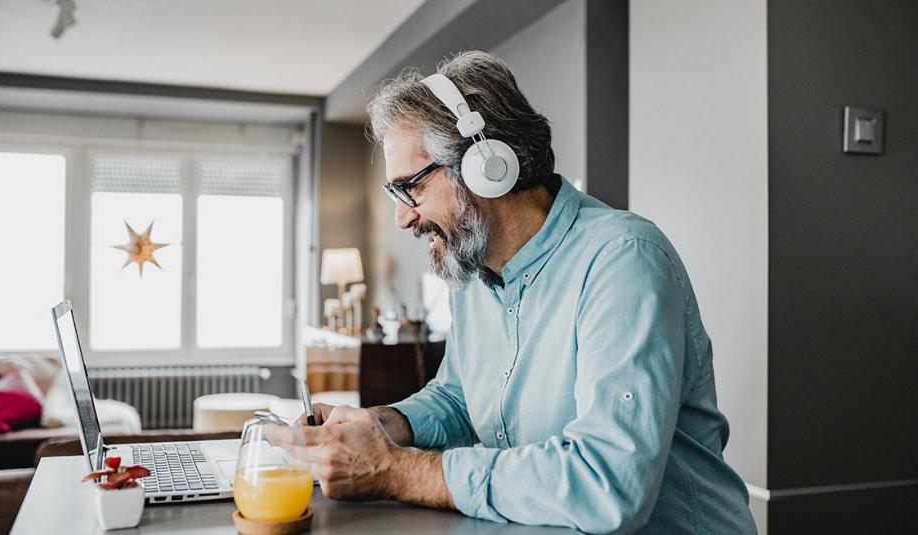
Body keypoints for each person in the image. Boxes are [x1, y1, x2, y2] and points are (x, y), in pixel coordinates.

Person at [296, 51, 757, 533]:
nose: (404, 217)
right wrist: (379, 427)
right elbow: (459, 399)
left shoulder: (623, 259)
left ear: (483, 164)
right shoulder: (473, 271)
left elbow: (608, 481)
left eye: (411, 188)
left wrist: (394, 470)